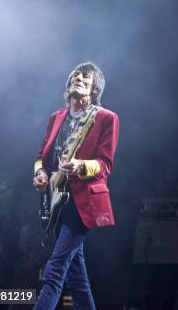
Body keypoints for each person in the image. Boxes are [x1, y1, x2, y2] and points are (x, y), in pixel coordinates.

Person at [32, 62, 119, 310]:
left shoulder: (106, 118)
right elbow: (41, 156)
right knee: (78, 279)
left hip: (84, 204)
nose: (78, 78)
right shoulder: (56, 118)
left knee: (55, 269)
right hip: (56, 200)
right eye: (75, 75)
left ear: (93, 89)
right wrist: (40, 174)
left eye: (85, 77)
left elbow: (105, 165)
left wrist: (80, 165)